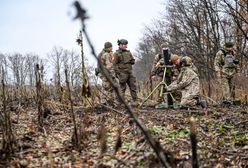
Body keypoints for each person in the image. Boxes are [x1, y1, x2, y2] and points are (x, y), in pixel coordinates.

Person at [113, 39, 138, 105]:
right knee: (122, 88)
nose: (125, 46)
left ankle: (135, 101)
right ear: (120, 45)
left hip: (130, 72)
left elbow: (132, 61)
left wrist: (132, 61)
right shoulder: (116, 54)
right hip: (122, 73)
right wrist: (118, 73)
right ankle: (119, 102)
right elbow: (114, 64)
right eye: (124, 44)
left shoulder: (128, 52)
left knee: (133, 87)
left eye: (126, 45)